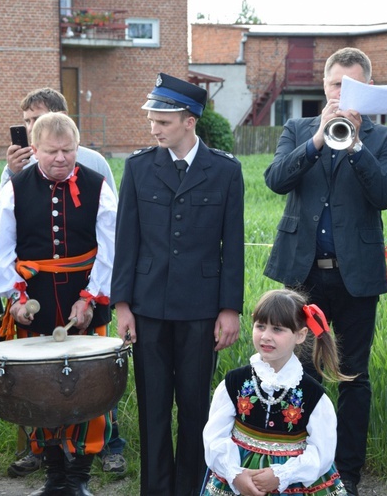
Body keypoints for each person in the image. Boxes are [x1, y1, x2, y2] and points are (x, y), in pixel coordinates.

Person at [263, 47, 387, 495]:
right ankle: (302, 470)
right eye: (334, 85)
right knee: (302, 374)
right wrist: (320, 138)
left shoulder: (385, 139)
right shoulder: (299, 129)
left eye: (350, 86)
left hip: (356, 276)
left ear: (366, 90)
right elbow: (275, 179)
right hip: (304, 276)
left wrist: (356, 144)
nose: (341, 94)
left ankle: (348, 476)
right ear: (324, 87)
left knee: (355, 379)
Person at [111, 72, 245, 496]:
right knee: (153, 408)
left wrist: (230, 309)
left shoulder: (224, 171)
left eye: (163, 122)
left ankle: (192, 488)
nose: (154, 129)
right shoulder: (138, 168)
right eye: (152, 120)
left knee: (195, 408)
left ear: (190, 121)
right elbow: (126, 240)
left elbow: (234, 246)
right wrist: (122, 305)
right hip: (148, 309)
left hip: (201, 310)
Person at [0, 112, 116, 496]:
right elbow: (1, 248)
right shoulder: (14, 187)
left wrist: (91, 297)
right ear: (35, 149)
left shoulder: (98, 186)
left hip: (84, 296)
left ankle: (78, 478)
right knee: (39, 387)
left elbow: (112, 248)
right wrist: (16, 298)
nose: (61, 158)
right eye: (51, 151)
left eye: (68, 150)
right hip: (35, 299)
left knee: (88, 385)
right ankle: (53, 477)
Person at [203, 289, 349, 496]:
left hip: (295, 485)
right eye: (260, 326)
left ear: (300, 335)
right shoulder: (233, 384)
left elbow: (322, 452)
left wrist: (282, 475)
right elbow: (214, 437)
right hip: (241, 480)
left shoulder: (313, 395)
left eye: (277, 329)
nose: (265, 336)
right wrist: (235, 475)